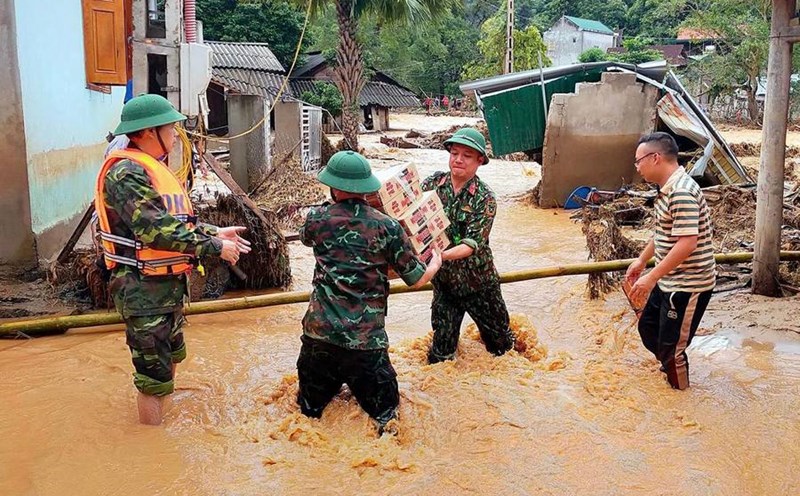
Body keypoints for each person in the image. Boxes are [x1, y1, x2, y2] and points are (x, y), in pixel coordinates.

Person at [94, 94, 251, 425]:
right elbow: (155, 231)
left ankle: (165, 419)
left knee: (171, 357)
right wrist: (214, 247)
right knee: (153, 379)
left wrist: (214, 232)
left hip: (166, 286)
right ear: (150, 132)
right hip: (143, 290)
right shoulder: (126, 174)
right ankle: (152, 449)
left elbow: (175, 221)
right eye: (170, 128)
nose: (175, 134)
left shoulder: (150, 169)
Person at [297, 150, 442, 435]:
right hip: (366, 344)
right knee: (388, 417)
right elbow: (415, 278)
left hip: (319, 338)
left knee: (308, 415)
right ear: (367, 187)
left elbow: (307, 239)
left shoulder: (316, 219)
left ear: (333, 186)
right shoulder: (387, 227)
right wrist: (435, 262)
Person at [626, 132, 716, 390]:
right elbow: (664, 232)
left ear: (655, 158)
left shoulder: (681, 192)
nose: (637, 167)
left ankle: (682, 400)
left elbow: (687, 243)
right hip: (669, 278)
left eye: (638, 161)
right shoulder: (666, 189)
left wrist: (651, 277)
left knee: (672, 349)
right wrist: (642, 261)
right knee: (648, 328)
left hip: (688, 283)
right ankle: (669, 368)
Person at [421, 128, 515, 364]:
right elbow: (410, 215)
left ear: (480, 160)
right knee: (440, 357)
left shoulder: (484, 198)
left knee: (502, 350)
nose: (458, 160)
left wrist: (439, 256)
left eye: (467, 155)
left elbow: (472, 244)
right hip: (444, 286)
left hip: (479, 284)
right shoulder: (432, 185)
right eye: (454, 153)